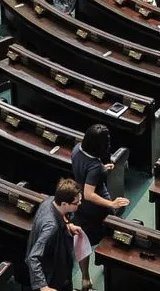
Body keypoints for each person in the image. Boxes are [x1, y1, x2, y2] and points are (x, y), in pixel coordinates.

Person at [71, 125, 128, 290]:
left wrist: (102, 169)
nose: (109, 145)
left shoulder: (77, 149)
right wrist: (112, 203)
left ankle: (85, 278)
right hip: (97, 208)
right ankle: (110, 268)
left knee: (83, 240)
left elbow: (85, 171)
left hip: (79, 202)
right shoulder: (95, 167)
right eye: (106, 142)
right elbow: (90, 194)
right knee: (112, 236)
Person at [25, 179, 82, 291]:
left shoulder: (51, 200)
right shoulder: (51, 228)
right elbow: (33, 257)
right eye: (77, 202)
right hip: (51, 275)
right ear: (65, 204)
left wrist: (68, 225)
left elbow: (60, 216)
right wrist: (43, 286)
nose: (80, 203)